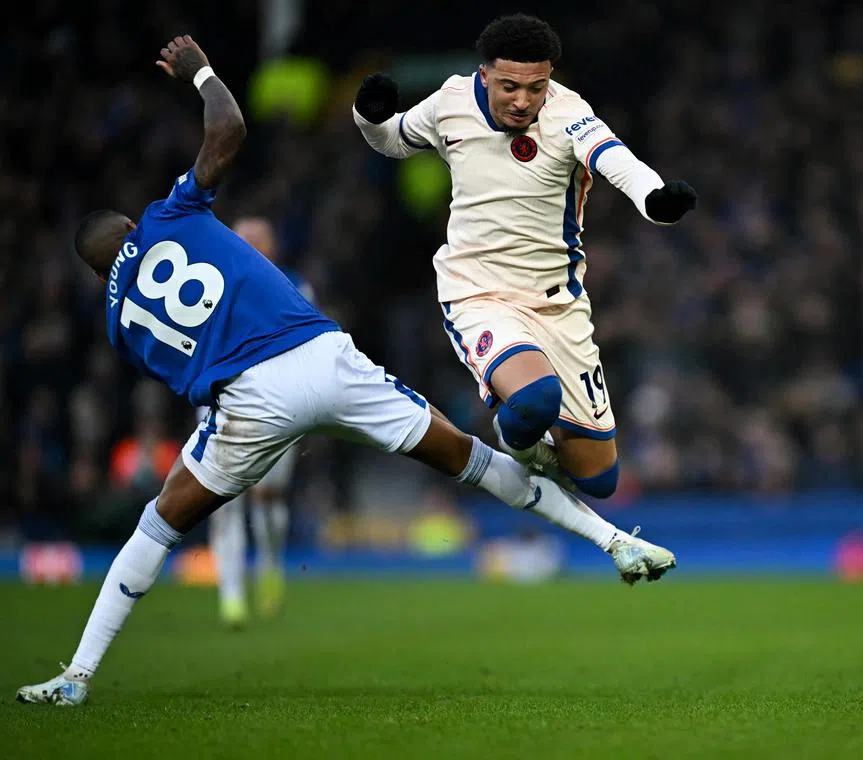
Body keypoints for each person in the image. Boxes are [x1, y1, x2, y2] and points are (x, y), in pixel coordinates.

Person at [16, 35, 675, 707]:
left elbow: (184, 371)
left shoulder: (116, 321)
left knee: (158, 526)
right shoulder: (167, 215)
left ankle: (77, 676)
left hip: (246, 401)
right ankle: (615, 540)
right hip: (321, 358)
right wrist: (202, 72)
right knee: (469, 459)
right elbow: (230, 128)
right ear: (131, 226)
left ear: (99, 273)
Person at [353, 14, 697, 500]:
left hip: (559, 304)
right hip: (479, 294)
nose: (523, 100)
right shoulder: (451, 101)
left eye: (536, 87)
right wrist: (368, 116)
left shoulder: (569, 112)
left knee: (598, 480)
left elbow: (616, 161)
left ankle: (528, 436)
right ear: (485, 74)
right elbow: (392, 139)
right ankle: (515, 441)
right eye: (510, 86)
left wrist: (655, 200)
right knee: (536, 399)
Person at [207, 216, 303, 628]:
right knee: (221, 501)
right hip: (224, 400)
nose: (248, 247)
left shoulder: (294, 288)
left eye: (256, 241)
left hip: (277, 404)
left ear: (272, 247)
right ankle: (231, 594)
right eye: (241, 240)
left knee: (268, 497)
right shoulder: (211, 287)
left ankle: (269, 561)